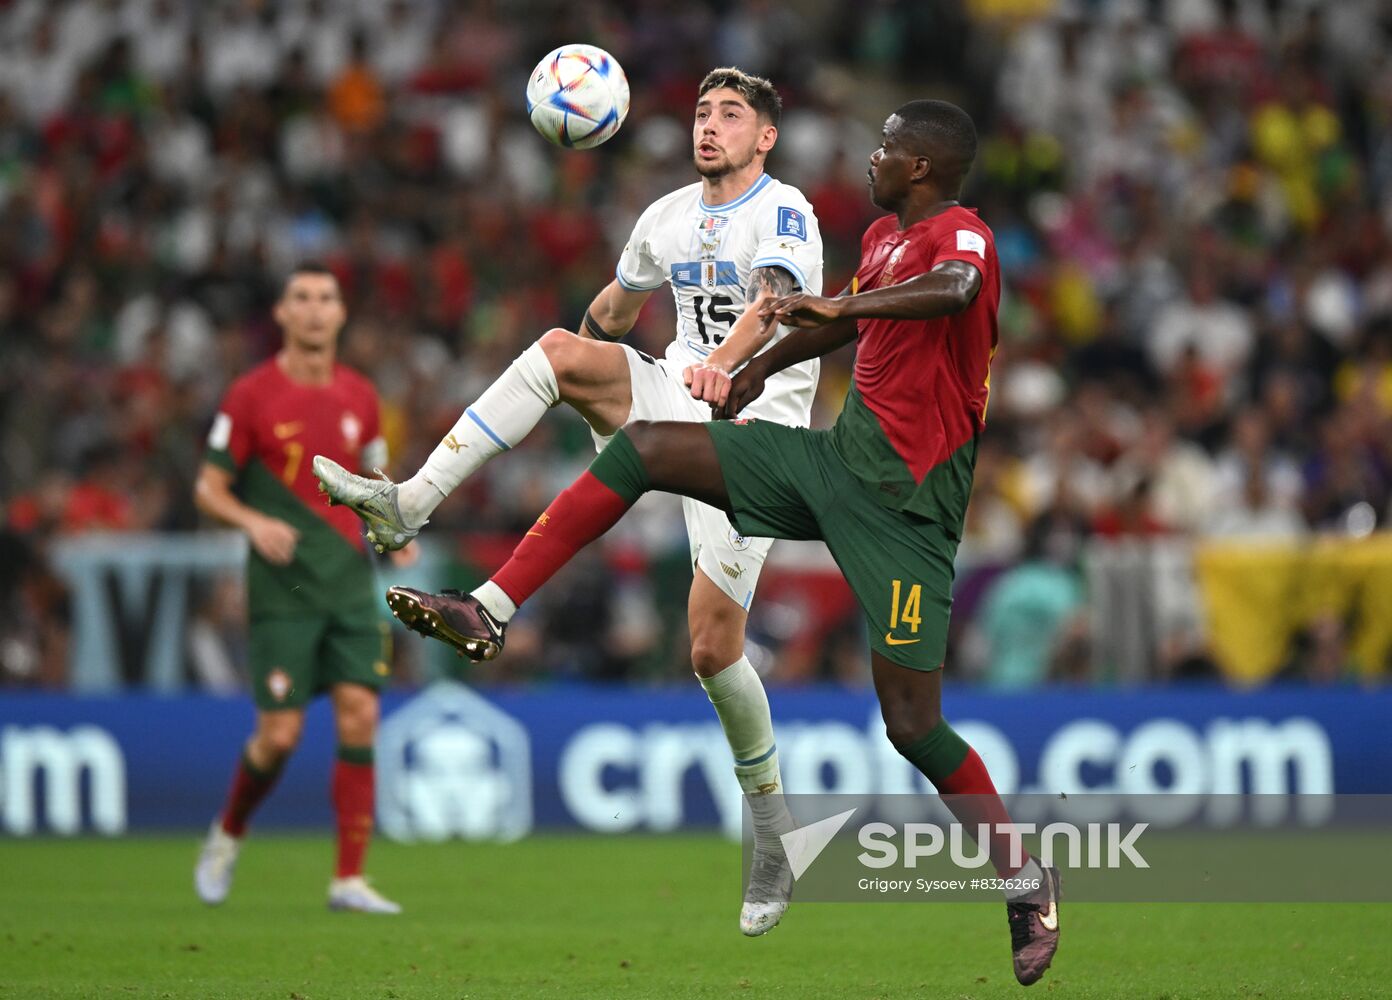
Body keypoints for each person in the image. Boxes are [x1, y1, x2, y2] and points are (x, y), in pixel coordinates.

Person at [378, 100, 1062, 985]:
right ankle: (489, 605)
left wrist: (834, 302)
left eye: (888, 146)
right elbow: (833, 325)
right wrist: (745, 378)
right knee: (649, 448)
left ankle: (1023, 880)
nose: (873, 157)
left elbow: (956, 294)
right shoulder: (886, 246)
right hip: (834, 464)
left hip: (908, 510)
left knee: (913, 725)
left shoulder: (960, 235)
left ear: (925, 165)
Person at [313, 67, 824, 936]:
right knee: (555, 348)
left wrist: (721, 364)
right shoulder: (664, 217)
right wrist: (571, 378)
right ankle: (409, 503)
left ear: (765, 137)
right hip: (674, 394)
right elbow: (612, 312)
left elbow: (775, 305)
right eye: (701, 112)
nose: (710, 127)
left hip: (755, 429)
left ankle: (772, 833)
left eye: (731, 116)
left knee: (710, 648)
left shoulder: (785, 211)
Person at [193, 263, 412, 914]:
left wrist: (395, 534)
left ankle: (348, 877)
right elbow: (207, 488)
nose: (315, 310)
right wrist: (253, 521)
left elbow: (376, 481)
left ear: (341, 315)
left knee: (362, 715)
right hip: (282, 589)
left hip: (348, 582)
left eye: (326, 299)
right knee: (279, 736)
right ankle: (228, 832)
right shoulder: (251, 395)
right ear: (282, 315)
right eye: (301, 299)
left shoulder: (361, 396)